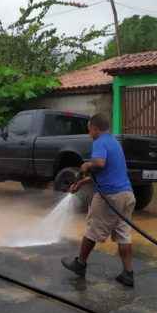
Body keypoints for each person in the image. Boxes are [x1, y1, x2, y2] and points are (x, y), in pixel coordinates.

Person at [61, 113, 136, 287]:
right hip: (126, 195)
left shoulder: (99, 142)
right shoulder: (114, 142)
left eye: (89, 130)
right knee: (124, 235)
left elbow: (100, 164)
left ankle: (80, 264)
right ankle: (128, 273)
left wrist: (86, 165)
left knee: (92, 229)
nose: (89, 134)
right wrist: (82, 182)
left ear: (95, 128)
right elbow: (108, 171)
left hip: (109, 196)